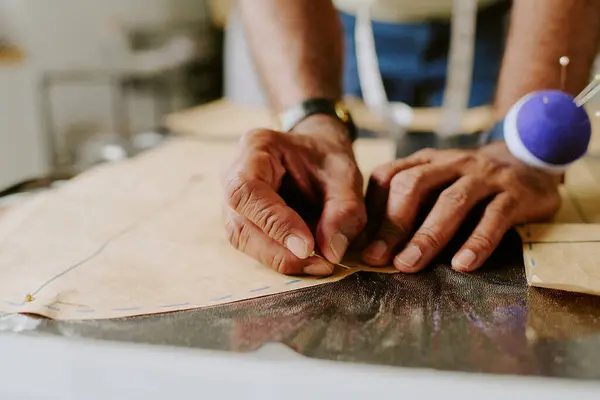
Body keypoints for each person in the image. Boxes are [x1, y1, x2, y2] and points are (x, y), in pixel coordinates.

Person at [221, 0, 600, 277]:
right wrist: (310, 120)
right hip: (327, 19)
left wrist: (523, 150)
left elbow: (519, 156)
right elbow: (309, 126)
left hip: (511, 24)